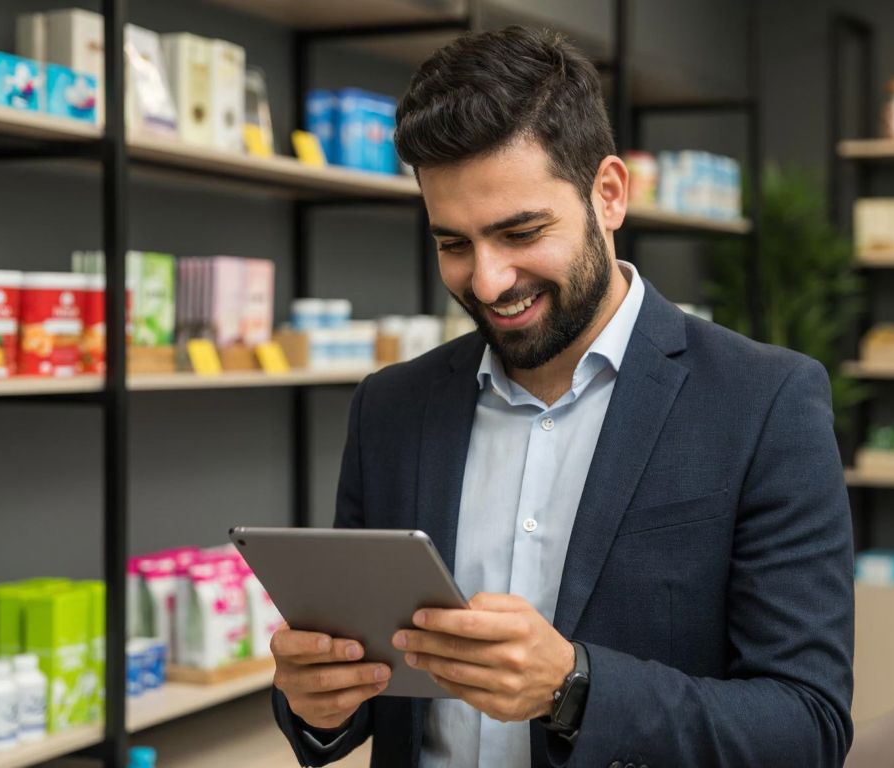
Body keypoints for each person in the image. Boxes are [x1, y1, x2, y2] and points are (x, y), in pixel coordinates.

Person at [270, 25, 854, 768]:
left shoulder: (765, 404)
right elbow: (356, 693)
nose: (486, 281)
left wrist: (574, 688)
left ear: (608, 194)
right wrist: (316, 699)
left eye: (520, 232)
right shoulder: (391, 408)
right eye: (453, 243)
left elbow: (806, 727)